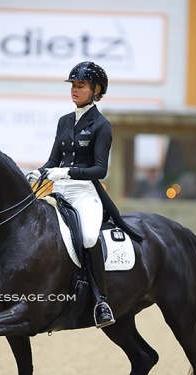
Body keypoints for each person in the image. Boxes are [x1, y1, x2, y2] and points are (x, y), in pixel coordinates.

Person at [27, 61, 115, 328]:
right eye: (73, 85)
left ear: (96, 90)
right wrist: (38, 172)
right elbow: (53, 159)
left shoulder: (101, 125)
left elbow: (99, 170)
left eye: (81, 86)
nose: (75, 90)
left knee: (89, 236)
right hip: (58, 191)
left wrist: (65, 173)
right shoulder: (64, 121)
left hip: (84, 192)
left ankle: (101, 301)